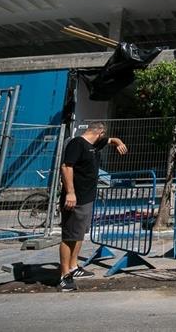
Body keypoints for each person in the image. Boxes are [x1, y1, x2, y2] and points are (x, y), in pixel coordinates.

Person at [58, 121, 128, 292]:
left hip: (87, 198)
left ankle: (74, 267)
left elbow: (112, 140)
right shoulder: (77, 144)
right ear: (99, 133)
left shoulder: (95, 143)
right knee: (69, 236)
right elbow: (66, 167)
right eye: (104, 136)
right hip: (75, 198)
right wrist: (70, 192)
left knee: (79, 233)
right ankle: (64, 275)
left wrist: (119, 142)